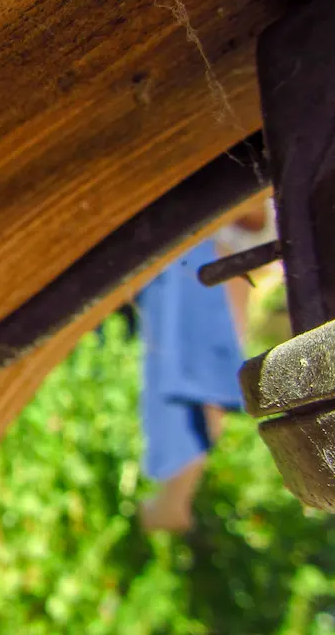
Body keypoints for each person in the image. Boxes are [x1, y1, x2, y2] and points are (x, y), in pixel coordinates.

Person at [136, 198, 274, 533]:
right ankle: (172, 499)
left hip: (204, 260)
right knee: (192, 386)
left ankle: (174, 500)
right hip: (189, 258)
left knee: (203, 388)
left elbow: (254, 214)